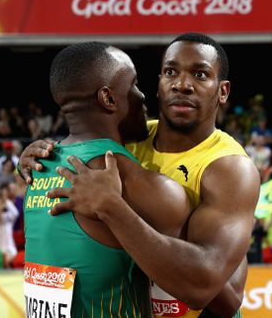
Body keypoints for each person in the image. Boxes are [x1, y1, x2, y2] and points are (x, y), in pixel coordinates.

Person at [19, 33, 259, 318]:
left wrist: (114, 209)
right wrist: (40, 154)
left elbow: (224, 297)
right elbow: (87, 130)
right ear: (158, 83)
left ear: (222, 91)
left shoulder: (230, 168)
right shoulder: (128, 141)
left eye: (200, 74)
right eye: (171, 72)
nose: (182, 85)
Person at [22, 42, 191, 318]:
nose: (142, 96)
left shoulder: (39, 166)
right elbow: (204, 277)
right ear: (108, 99)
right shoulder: (130, 179)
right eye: (134, 85)